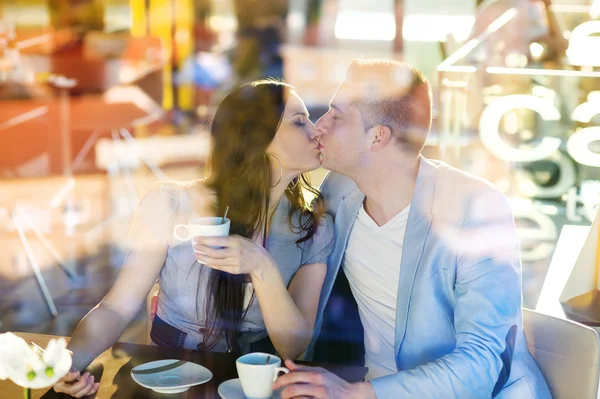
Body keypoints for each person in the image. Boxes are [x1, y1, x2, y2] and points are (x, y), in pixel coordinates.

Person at [274, 59, 551, 398]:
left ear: (378, 137)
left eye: (336, 115)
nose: (320, 126)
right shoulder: (340, 189)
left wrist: (358, 394)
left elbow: (485, 362)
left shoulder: (476, 207)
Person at [53, 80, 334, 398]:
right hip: (168, 379)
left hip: (252, 384)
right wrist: (69, 364)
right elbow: (117, 307)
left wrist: (261, 266)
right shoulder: (171, 203)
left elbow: (293, 346)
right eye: (300, 121)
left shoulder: (313, 229)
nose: (316, 130)